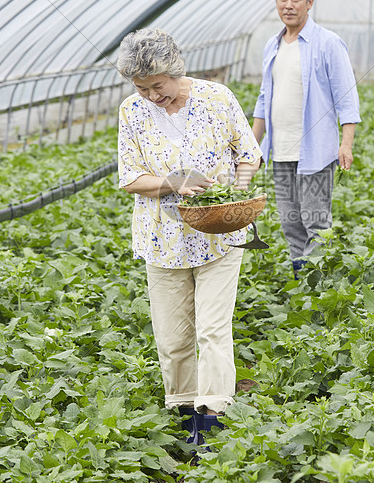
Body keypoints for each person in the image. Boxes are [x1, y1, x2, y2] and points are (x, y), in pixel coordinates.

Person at [116, 28, 262, 449]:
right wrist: (170, 182)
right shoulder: (132, 112)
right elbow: (130, 177)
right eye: (142, 88)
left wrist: (237, 190)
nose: (151, 96)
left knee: (213, 329)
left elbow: (247, 152)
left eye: (157, 86)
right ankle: (182, 408)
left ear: (175, 71)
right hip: (162, 239)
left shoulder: (216, 98)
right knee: (173, 335)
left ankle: (212, 413)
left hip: (219, 234)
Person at [252, 0, 361, 278]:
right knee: (290, 222)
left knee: (315, 222)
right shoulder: (272, 46)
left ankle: (319, 288)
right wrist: (252, 147)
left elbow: (346, 96)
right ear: (276, 2)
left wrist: (346, 142)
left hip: (314, 151)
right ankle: (303, 281)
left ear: (309, 2)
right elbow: (263, 99)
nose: (288, 5)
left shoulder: (327, 43)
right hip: (281, 151)